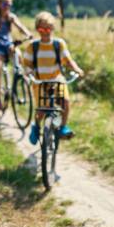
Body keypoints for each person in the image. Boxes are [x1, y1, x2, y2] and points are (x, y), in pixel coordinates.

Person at [23, 11, 84, 144]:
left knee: (65, 103)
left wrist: (77, 69)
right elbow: (26, 64)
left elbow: (68, 61)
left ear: (53, 28)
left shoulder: (59, 44)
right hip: (40, 82)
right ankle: (36, 126)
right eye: (41, 29)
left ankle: (62, 127)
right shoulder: (33, 46)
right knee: (42, 110)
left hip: (57, 80)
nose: (45, 32)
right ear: (37, 29)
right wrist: (28, 72)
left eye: (48, 28)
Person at [0, 0, 33, 110]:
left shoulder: (11, 17)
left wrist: (28, 34)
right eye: (4, 4)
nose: (7, 7)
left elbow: (20, 26)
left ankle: (20, 77)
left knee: (18, 54)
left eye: (9, 4)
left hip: (8, 44)